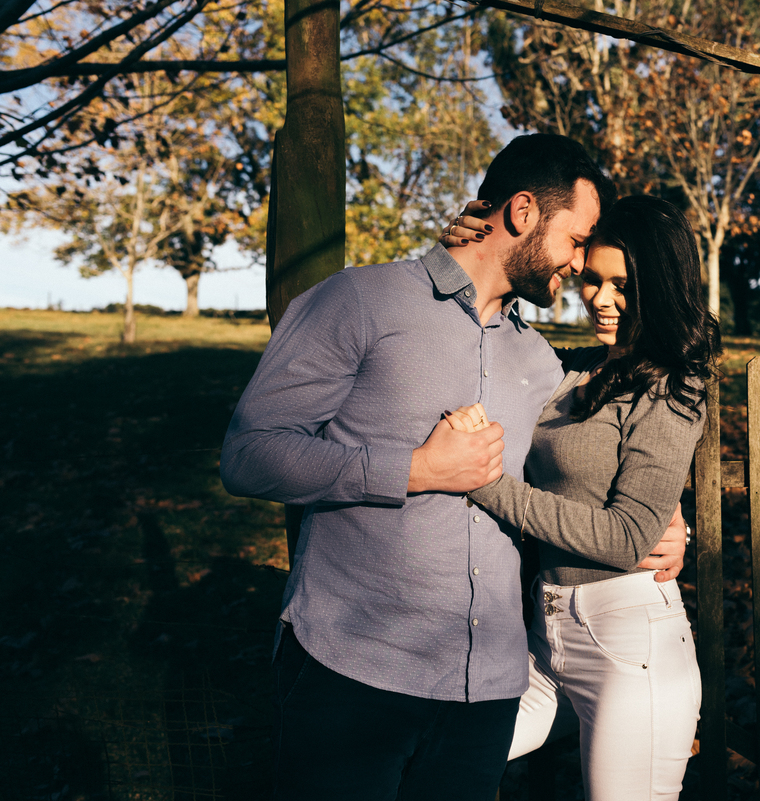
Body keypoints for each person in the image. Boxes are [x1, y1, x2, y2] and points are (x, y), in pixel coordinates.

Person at [219, 134, 686, 801]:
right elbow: (249, 452)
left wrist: (667, 520)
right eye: (578, 239)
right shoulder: (359, 301)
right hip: (353, 669)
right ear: (522, 213)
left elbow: (603, 448)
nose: (582, 266)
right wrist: (412, 468)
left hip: (486, 691)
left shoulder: (542, 364)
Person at [441, 195, 721, 800]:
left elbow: (626, 539)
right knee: (440, 765)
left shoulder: (674, 385)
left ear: (661, 286)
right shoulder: (570, 368)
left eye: (622, 284)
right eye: (592, 279)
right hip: (543, 642)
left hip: (630, 653)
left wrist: (485, 484)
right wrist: (466, 255)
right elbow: (488, 339)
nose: (600, 298)